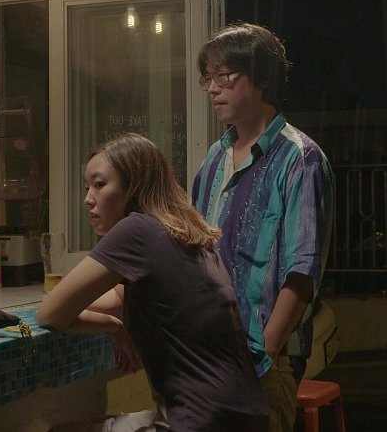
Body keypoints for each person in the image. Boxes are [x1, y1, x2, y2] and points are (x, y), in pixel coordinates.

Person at [36, 133, 268, 431]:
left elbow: (49, 314)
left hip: (196, 421)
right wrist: (106, 316)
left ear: (133, 185)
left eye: (100, 184)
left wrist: (113, 327)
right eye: (87, 187)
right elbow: (117, 299)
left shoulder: (136, 230)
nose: (88, 198)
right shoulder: (184, 233)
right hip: (241, 416)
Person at [192, 22, 334, 431]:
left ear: (262, 78)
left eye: (224, 76)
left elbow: (302, 271)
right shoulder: (214, 158)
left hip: (266, 358)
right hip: (212, 351)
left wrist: (266, 352)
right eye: (208, 78)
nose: (213, 88)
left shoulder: (300, 158)